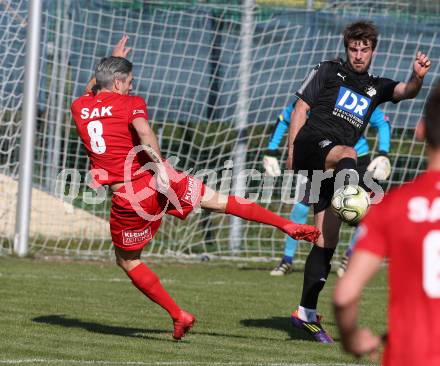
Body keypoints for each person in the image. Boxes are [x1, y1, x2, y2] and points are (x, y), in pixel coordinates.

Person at [71, 36, 320, 341]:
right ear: (120, 83)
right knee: (223, 201)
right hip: (158, 177)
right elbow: (144, 130)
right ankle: (286, 224)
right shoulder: (131, 103)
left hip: (130, 196)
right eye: (130, 81)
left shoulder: (79, 106)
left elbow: (92, 88)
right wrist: (162, 167)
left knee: (128, 260)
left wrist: (110, 61)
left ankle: (179, 315)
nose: (133, 87)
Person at [286, 21, 430, 343]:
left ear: (373, 51)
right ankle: (358, 199)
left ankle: (305, 313)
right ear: (347, 47)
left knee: (326, 242)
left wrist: (417, 77)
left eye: (365, 49)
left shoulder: (375, 87)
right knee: (349, 152)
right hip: (314, 146)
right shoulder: (328, 70)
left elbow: (405, 92)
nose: (359, 55)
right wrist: (292, 150)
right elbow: (301, 107)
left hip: (334, 166)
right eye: (354, 48)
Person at [333, 80, 440, 366]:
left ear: (421, 131)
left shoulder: (394, 206)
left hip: (410, 355)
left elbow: (344, 296)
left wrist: (352, 338)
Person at [263, 101, 391, 276]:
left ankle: (350, 257)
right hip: (323, 158)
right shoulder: (312, 96)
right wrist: (271, 150)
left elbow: (382, 122)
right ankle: (287, 259)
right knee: (301, 206)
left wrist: (383, 152)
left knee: (364, 213)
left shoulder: (358, 97)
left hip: (357, 159)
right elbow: (285, 118)